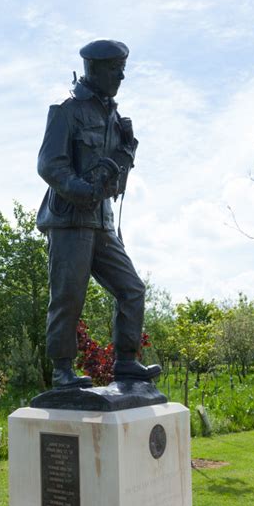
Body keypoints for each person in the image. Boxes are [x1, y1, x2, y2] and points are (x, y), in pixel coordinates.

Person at [37, 39, 161, 389]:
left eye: (123, 68)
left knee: (132, 289)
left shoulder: (114, 118)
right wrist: (82, 190)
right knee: (68, 295)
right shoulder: (67, 111)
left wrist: (127, 149)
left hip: (102, 222)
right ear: (93, 69)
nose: (121, 75)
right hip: (69, 220)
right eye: (114, 69)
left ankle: (126, 362)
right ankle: (62, 369)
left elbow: (116, 178)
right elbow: (50, 165)